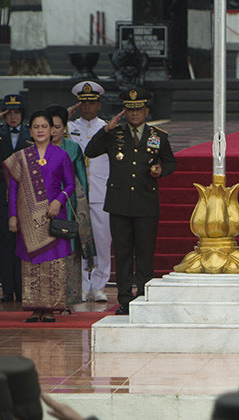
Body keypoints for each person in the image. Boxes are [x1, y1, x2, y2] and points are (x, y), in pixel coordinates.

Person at [84, 87, 176, 315]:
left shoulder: (158, 136)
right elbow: (90, 151)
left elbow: (171, 163)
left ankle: (144, 295)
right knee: (123, 253)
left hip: (146, 202)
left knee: (145, 253)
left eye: (138, 110)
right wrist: (105, 130)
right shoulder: (114, 134)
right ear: (124, 112)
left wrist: (160, 170)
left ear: (146, 111)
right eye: (130, 110)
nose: (134, 115)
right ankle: (124, 298)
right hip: (119, 203)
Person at [2, 111, 77, 323]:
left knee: (53, 264)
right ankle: (35, 308)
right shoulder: (22, 156)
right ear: (30, 130)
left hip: (53, 216)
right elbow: (14, 190)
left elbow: (70, 184)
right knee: (31, 263)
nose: (41, 130)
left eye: (45, 126)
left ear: (52, 130)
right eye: (36, 127)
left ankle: (50, 308)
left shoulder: (61, 155)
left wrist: (58, 200)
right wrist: (13, 216)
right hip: (27, 219)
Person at [67, 81, 111, 304]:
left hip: (101, 193)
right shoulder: (70, 127)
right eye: (83, 103)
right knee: (81, 242)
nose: (87, 107)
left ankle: (99, 286)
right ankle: (83, 285)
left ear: (99, 104)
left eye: (92, 103)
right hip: (78, 193)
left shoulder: (107, 128)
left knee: (103, 242)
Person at [46, 105, 90, 310]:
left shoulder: (72, 149)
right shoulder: (35, 148)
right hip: (42, 206)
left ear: (64, 127)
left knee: (68, 249)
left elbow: (81, 179)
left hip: (68, 203)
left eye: (56, 126)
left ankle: (68, 299)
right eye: (49, 126)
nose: (52, 131)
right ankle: (45, 299)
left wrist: (82, 207)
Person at [0, 94, 30, 303]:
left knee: (24, 243)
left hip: (26, 195)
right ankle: (7, 289)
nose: (13, 117)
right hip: (2, 193)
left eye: (17, 113)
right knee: (5, 243)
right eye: (9, 113)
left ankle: (22, 289)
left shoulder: (30, 133)